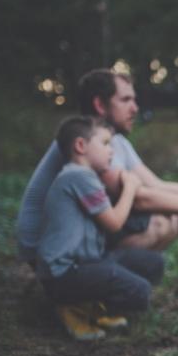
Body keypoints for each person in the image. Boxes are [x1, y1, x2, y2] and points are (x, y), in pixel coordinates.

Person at [15, 68, 178, 263]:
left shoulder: (114, 140)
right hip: (45, 248)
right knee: (159, 222)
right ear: (100, 105)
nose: (135, 108)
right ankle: (96, 295)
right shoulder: (89, 146)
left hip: (75, 236)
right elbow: (140, 198)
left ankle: (115, 288)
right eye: (125, 100)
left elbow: (156, 184)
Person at [37, 115, 165, 341]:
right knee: (140, 292)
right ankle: (72, 308)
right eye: (105, 143)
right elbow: (114, 223)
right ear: (80, 146)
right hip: (64, 274)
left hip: (86, 263)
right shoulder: (78, 176)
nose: (111, 151)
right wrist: (131, 187)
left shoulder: (84, 176)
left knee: (154, 263)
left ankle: (90, 305)